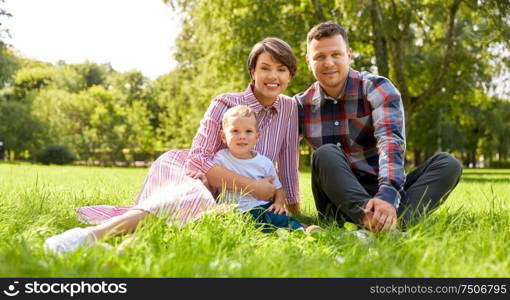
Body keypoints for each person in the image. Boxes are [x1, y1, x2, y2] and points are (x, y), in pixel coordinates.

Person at [44, 37, 302, 254]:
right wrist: (255, 188)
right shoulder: (225, 102)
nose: (273, 76)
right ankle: (89, 237)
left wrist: (294, 210)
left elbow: (289, 160)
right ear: (253, 72)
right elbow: (199, 159)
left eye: (281, 69)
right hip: (196, 172)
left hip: (234, 198)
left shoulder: (290, 107)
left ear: (290, 74)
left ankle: (127, 246)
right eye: (265, 68)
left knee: (191, 221)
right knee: (189, 198)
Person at [294, 21, 463, 233]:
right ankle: (379, 225)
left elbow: (390, 142)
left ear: (349, 54)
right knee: (325, 153)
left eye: (336, 54)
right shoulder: (300, 105)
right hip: (336, 202)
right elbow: (275, 150)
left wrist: (387, 195)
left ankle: (385, 224)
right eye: (319, 56)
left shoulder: (377, 88)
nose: (329, 63)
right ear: (309, 61)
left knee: (448, 164)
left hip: (381, 188)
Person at [213, 105, 319, 233]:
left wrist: (279, 203)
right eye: (235, 131)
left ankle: (305, 230)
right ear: (223, 136)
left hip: (262, 207)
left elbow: (278, 189)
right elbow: (209, 176)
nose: (242, 136)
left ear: (257, 137)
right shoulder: (220, 158)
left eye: (248, 131)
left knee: (277, 219)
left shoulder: (264, 163)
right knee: (234, 224)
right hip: (234, 210)